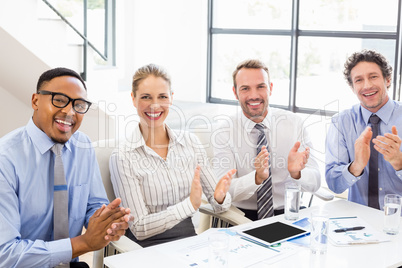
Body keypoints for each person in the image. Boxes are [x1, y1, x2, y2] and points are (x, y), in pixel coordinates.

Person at [0, 67, 133, 267]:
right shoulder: (5, 159)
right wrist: (83, 243)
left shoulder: (83, 145)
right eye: (59, 100)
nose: (69, 112)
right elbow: (6, 253)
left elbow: (93, 204)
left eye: (79, 105)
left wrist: (107, 222)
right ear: (35, 101)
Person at [109, 64, 236, 247]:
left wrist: (219, 197)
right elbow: (139, 227)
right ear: (133, 98)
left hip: (190, 245)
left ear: (171, 98)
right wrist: (189, 205)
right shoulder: (123, 156)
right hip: (147, 251)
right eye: (146, 97)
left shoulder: (190, 142)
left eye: (162, 96)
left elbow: (219, 206)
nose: (155, 105)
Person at [213, 59, 321, 221]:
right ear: (235, 93)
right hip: (242, 217)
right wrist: (256, 178)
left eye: (260, 86)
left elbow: (316, 182)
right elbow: (223, 190)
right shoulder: (224, 132)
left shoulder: (294, 124)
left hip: (289, 212)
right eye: (245, 89)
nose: (254, 95)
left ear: (270, 88)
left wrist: (297, 173)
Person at [326, 49, 402, 209]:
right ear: (352, 87)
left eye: (373, 77)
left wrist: (399, 163)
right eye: (359, 80)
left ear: (387, 80)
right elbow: (334, 185)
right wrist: (356, 166)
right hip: (359, 223)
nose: (367, 86)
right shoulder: (341, 122)